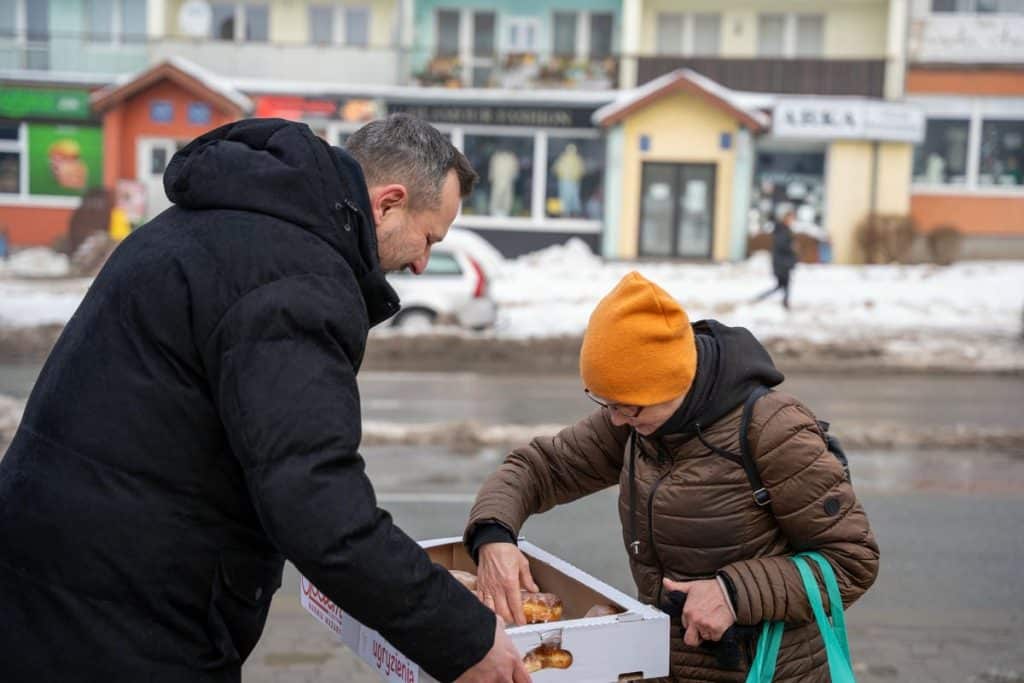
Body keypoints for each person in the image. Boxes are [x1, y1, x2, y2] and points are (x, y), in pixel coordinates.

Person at [0, 115, 528, 683]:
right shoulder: (294, 280)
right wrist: (461, 637)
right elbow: (315, 498)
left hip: (60, 580)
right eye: (429, 238)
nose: (422, 263)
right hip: (121, 616)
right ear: (388, 203)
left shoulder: (220, 222)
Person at [464, 271, 879, 682]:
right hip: (666, 664)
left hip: (766, 670)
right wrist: (494, 535)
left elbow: (851, 561)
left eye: (629, 406)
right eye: (604, 401)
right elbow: (540, 468)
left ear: (672, 383)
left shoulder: (773, 430)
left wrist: (734, 594)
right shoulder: (632, 420)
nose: (615, 418)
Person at [754, 209, 798, 309]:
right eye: (791, 218)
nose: (792, 220)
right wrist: (792, 248)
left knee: (783, 285)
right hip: (781, 262)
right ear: (786, 218)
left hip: (784, 261)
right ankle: (766, 298)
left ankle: (783, 302)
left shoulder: (785, 229)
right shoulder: (782, 230)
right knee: (783, 284)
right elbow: (782, 245)